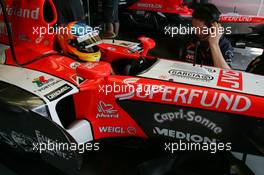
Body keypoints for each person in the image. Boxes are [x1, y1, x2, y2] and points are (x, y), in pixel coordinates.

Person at [183, 3, 233, 69]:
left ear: (212, 27)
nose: (195, 31)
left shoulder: (224, 45)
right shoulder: (190, 38)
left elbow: (226, 73)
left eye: (199, 29)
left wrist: (214, 44)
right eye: (194, 27)